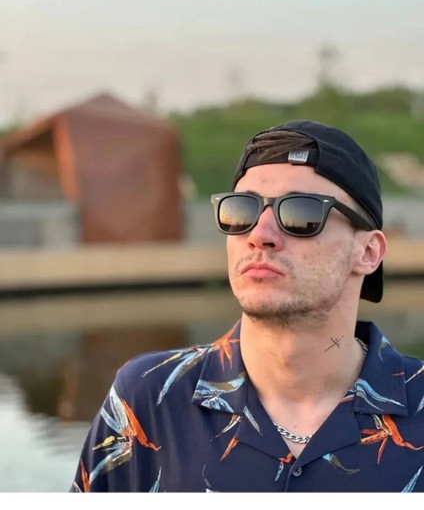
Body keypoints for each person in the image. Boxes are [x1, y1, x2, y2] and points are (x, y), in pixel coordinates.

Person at [70, 119, 424, 493]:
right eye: (242, 210)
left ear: (368, 252)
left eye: (301, 214)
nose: (259, 235)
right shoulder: (148, 401)